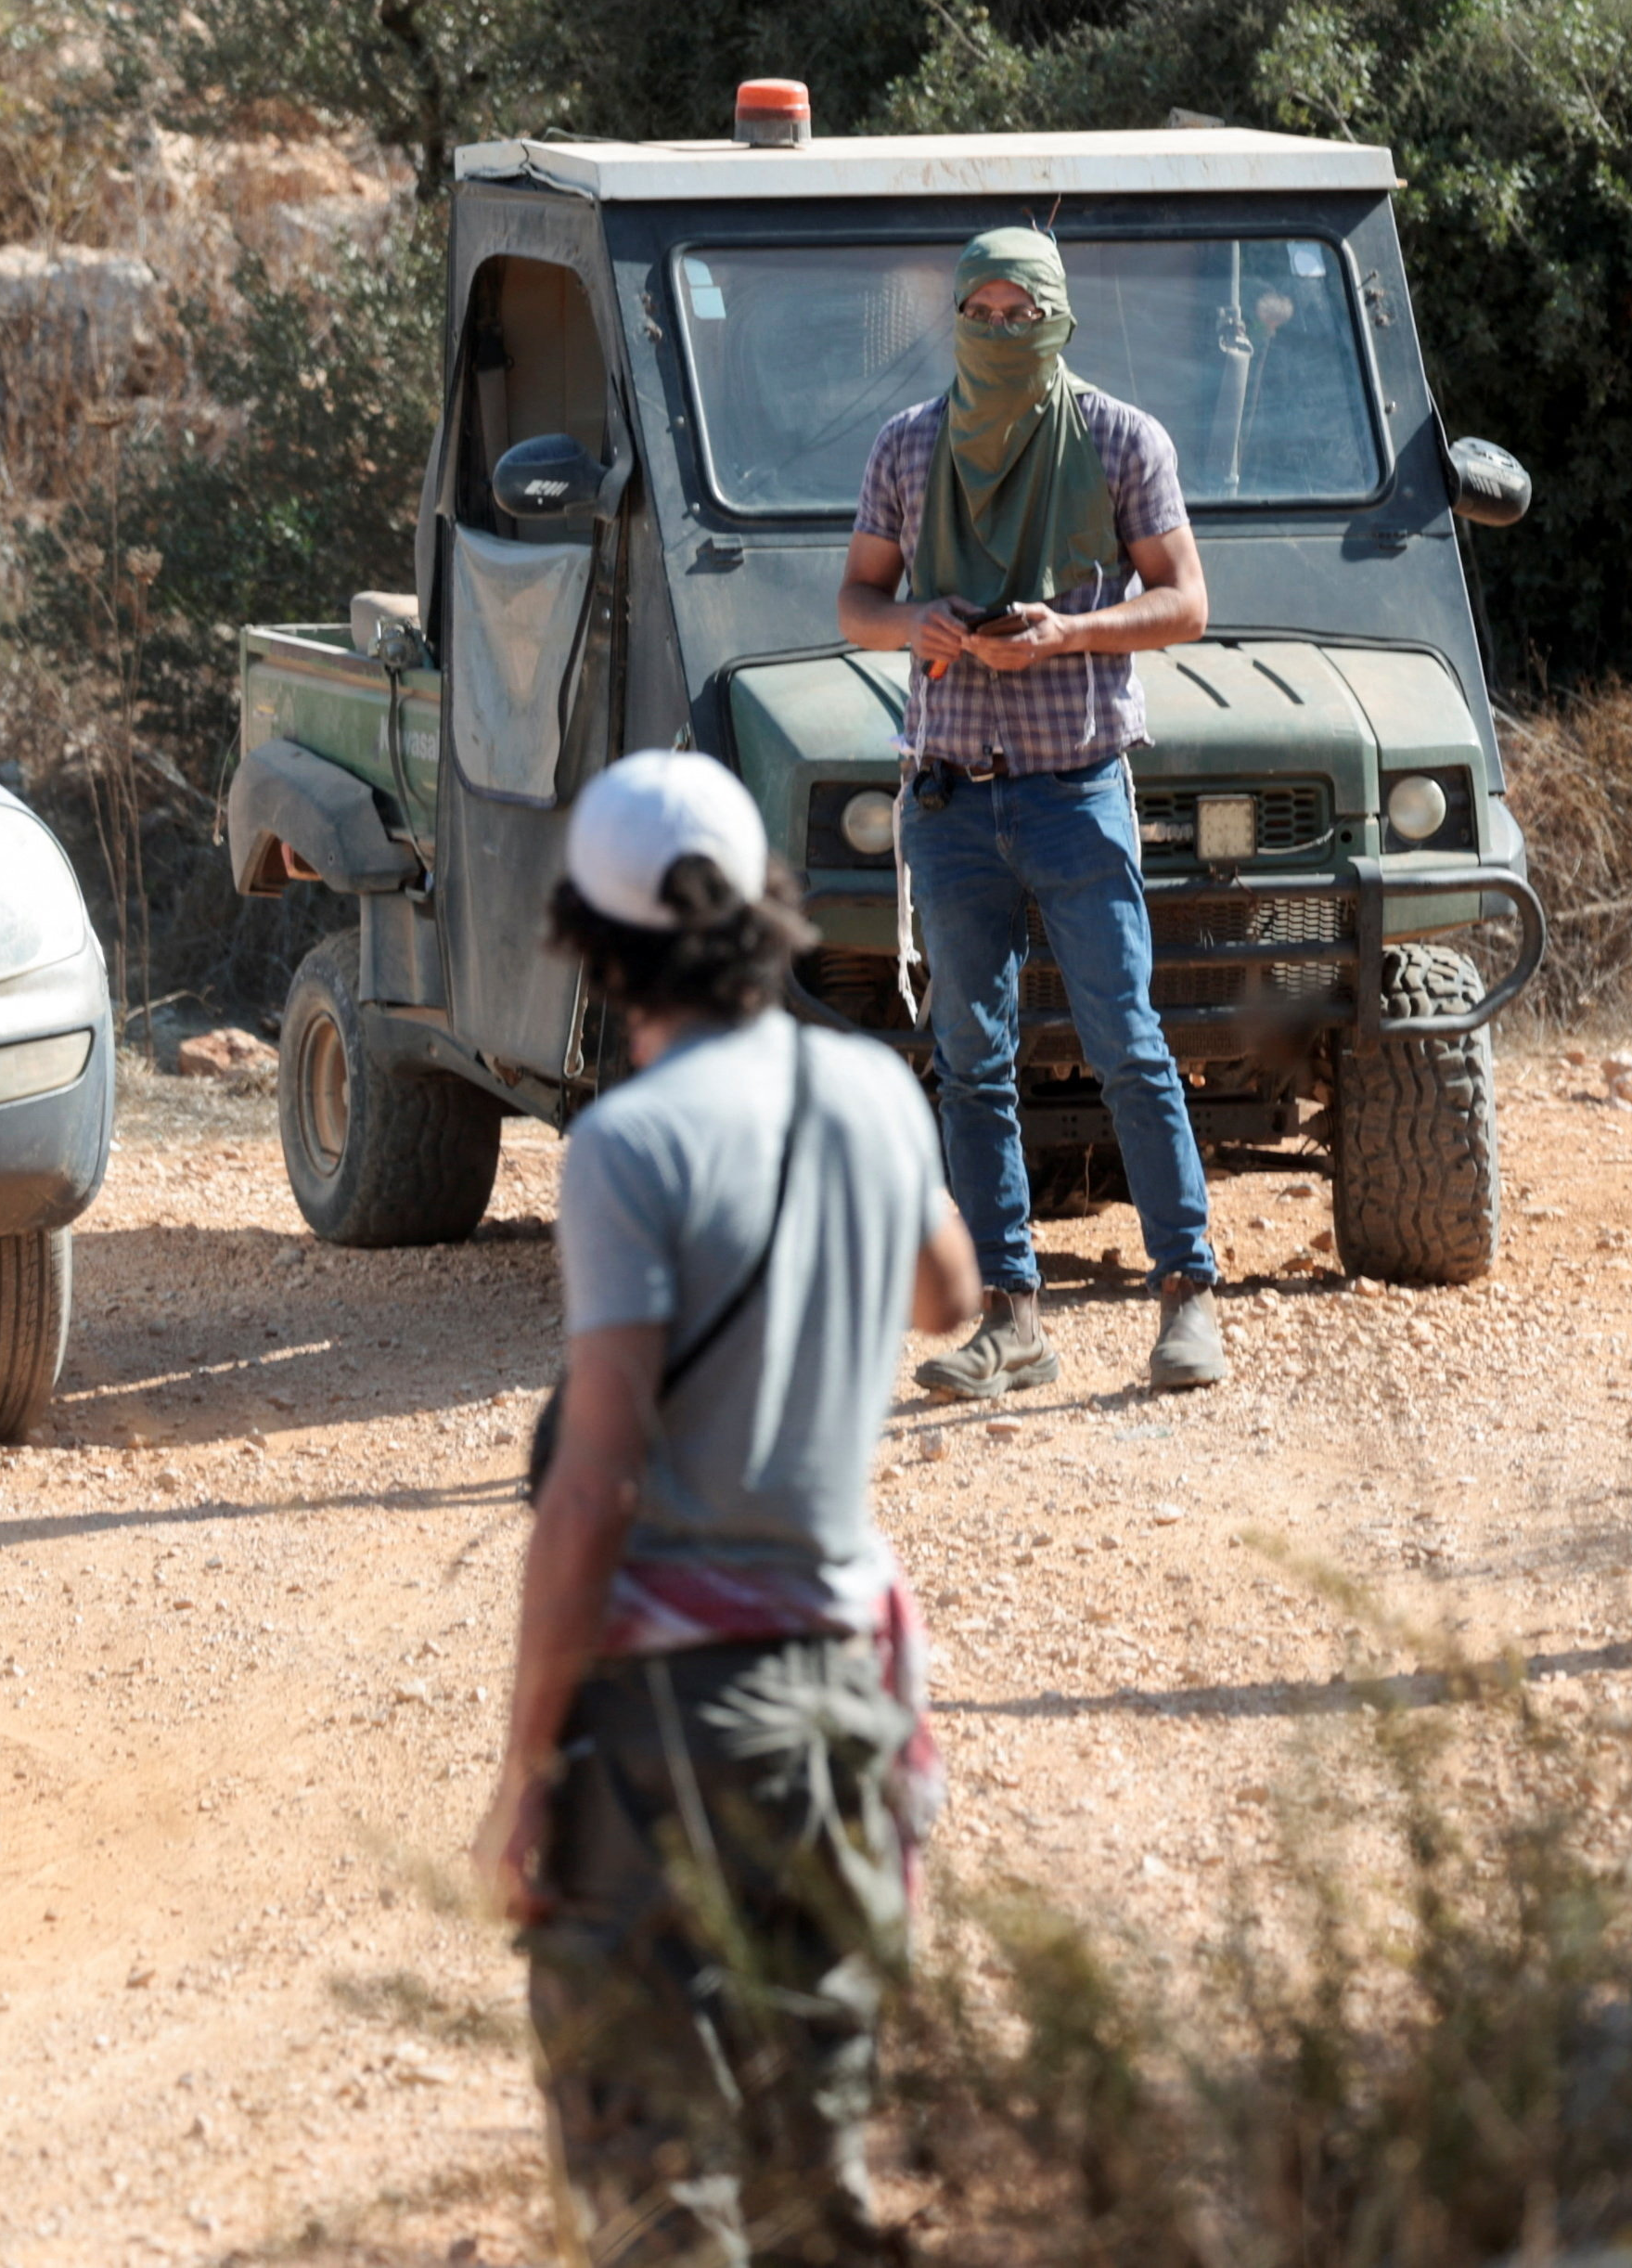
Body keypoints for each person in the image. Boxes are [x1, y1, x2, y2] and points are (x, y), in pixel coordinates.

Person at [476, 752, 979, 2268]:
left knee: (657, 2196)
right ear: (761, 907)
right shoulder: (874, 1089)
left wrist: (523, 1767)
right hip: (841, 1702)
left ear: (600, 939)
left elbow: (601, 1481)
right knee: (805, 2173)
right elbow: (950, 1299)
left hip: (671, 1731)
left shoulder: (627, 1147)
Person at [829, 226, 1225, 1401]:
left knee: (1128, 1048)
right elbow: (856, 598)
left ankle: (1186, 1295)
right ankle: (1010, 1319)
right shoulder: (905, 446)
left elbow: (1186, 602)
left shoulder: (1118, 440)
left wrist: (1070, 631)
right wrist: (920, 625)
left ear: (1058, 319)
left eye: (1022, 314)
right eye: (981, 313)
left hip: (1076, 791)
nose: (1000, 333)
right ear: (953, 318)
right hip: (951, 800)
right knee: (971, 1063)